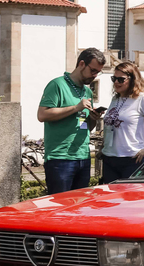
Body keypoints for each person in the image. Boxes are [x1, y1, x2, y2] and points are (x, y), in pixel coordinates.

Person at [37, 48, 106, 194]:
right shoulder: (57, 85)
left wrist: (93, 119)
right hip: (60, 158)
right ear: (82, 64)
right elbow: (42, 115)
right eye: (93, 70)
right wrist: (75, 107)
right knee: (59, 209)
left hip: (83, 156)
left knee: (78, 209)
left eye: (98, 72)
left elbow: (84, 125)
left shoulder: (87, 92)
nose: (95, 75)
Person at [100, 61, 144, 183]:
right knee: (111, 200)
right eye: (114, 78)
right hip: (109, 158)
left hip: (132, 159)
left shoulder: (142, 99)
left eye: (121, 79)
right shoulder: (115, 99)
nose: (116, 82)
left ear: (132, 80)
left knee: (130, 199)